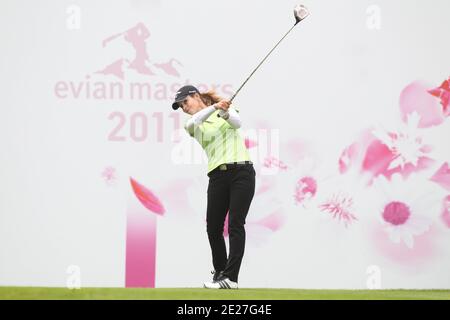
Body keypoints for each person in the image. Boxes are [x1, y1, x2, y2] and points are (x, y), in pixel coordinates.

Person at [172, 85, 256, 289]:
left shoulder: (224, 110)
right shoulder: (192, 124)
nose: (184, 107)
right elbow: (195, 120)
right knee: (213, 228)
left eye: (185, 102)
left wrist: (224, 111)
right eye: (181, 106)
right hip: (217, 176)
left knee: (236, 224)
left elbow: (237, 124)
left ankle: (231, 278)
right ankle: (220, 272)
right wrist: (216, 107)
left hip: (241, 173)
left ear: (196, 96)